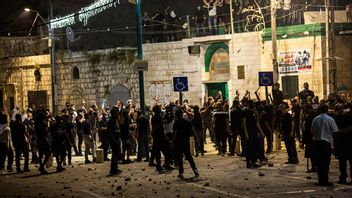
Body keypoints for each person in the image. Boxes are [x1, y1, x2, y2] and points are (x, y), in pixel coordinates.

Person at [311, 104, 338, 186]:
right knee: (326, 162)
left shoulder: (315, 119)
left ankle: (320, 180)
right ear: (327, 110)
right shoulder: (330, 119)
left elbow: (312, 131)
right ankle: (325, 180)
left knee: (319, 162)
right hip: (326, 143)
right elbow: (335, 131)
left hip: (317, 143)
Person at [173, 109, 199, 179]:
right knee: (189, 156)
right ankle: (195, 170)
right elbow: (192, 130)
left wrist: (173, 141)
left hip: (179, 142)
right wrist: (196, 137)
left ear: (177, 115)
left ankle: (181, 173)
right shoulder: (187, 121)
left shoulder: (176, 122)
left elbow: (175, 133)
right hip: (186, 141)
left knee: (180, 158)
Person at [35, 109, 51, 175]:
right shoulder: (44, 123)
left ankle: (42, 166)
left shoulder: (36, 124)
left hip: (39, 140)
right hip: (44, 139)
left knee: (40, 154)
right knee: (48, 153)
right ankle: (42, 166)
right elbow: (46, 131)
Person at [107, 107, 122, 175]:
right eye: (116, 113)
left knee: (117, 154)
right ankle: (113, 169)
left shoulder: (115, 120)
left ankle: (115, 168)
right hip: (114, 140)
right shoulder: (111, 121)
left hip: (117, 139)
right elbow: (109, 132)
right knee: (115, 155)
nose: (117, 114)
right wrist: (114, 140)